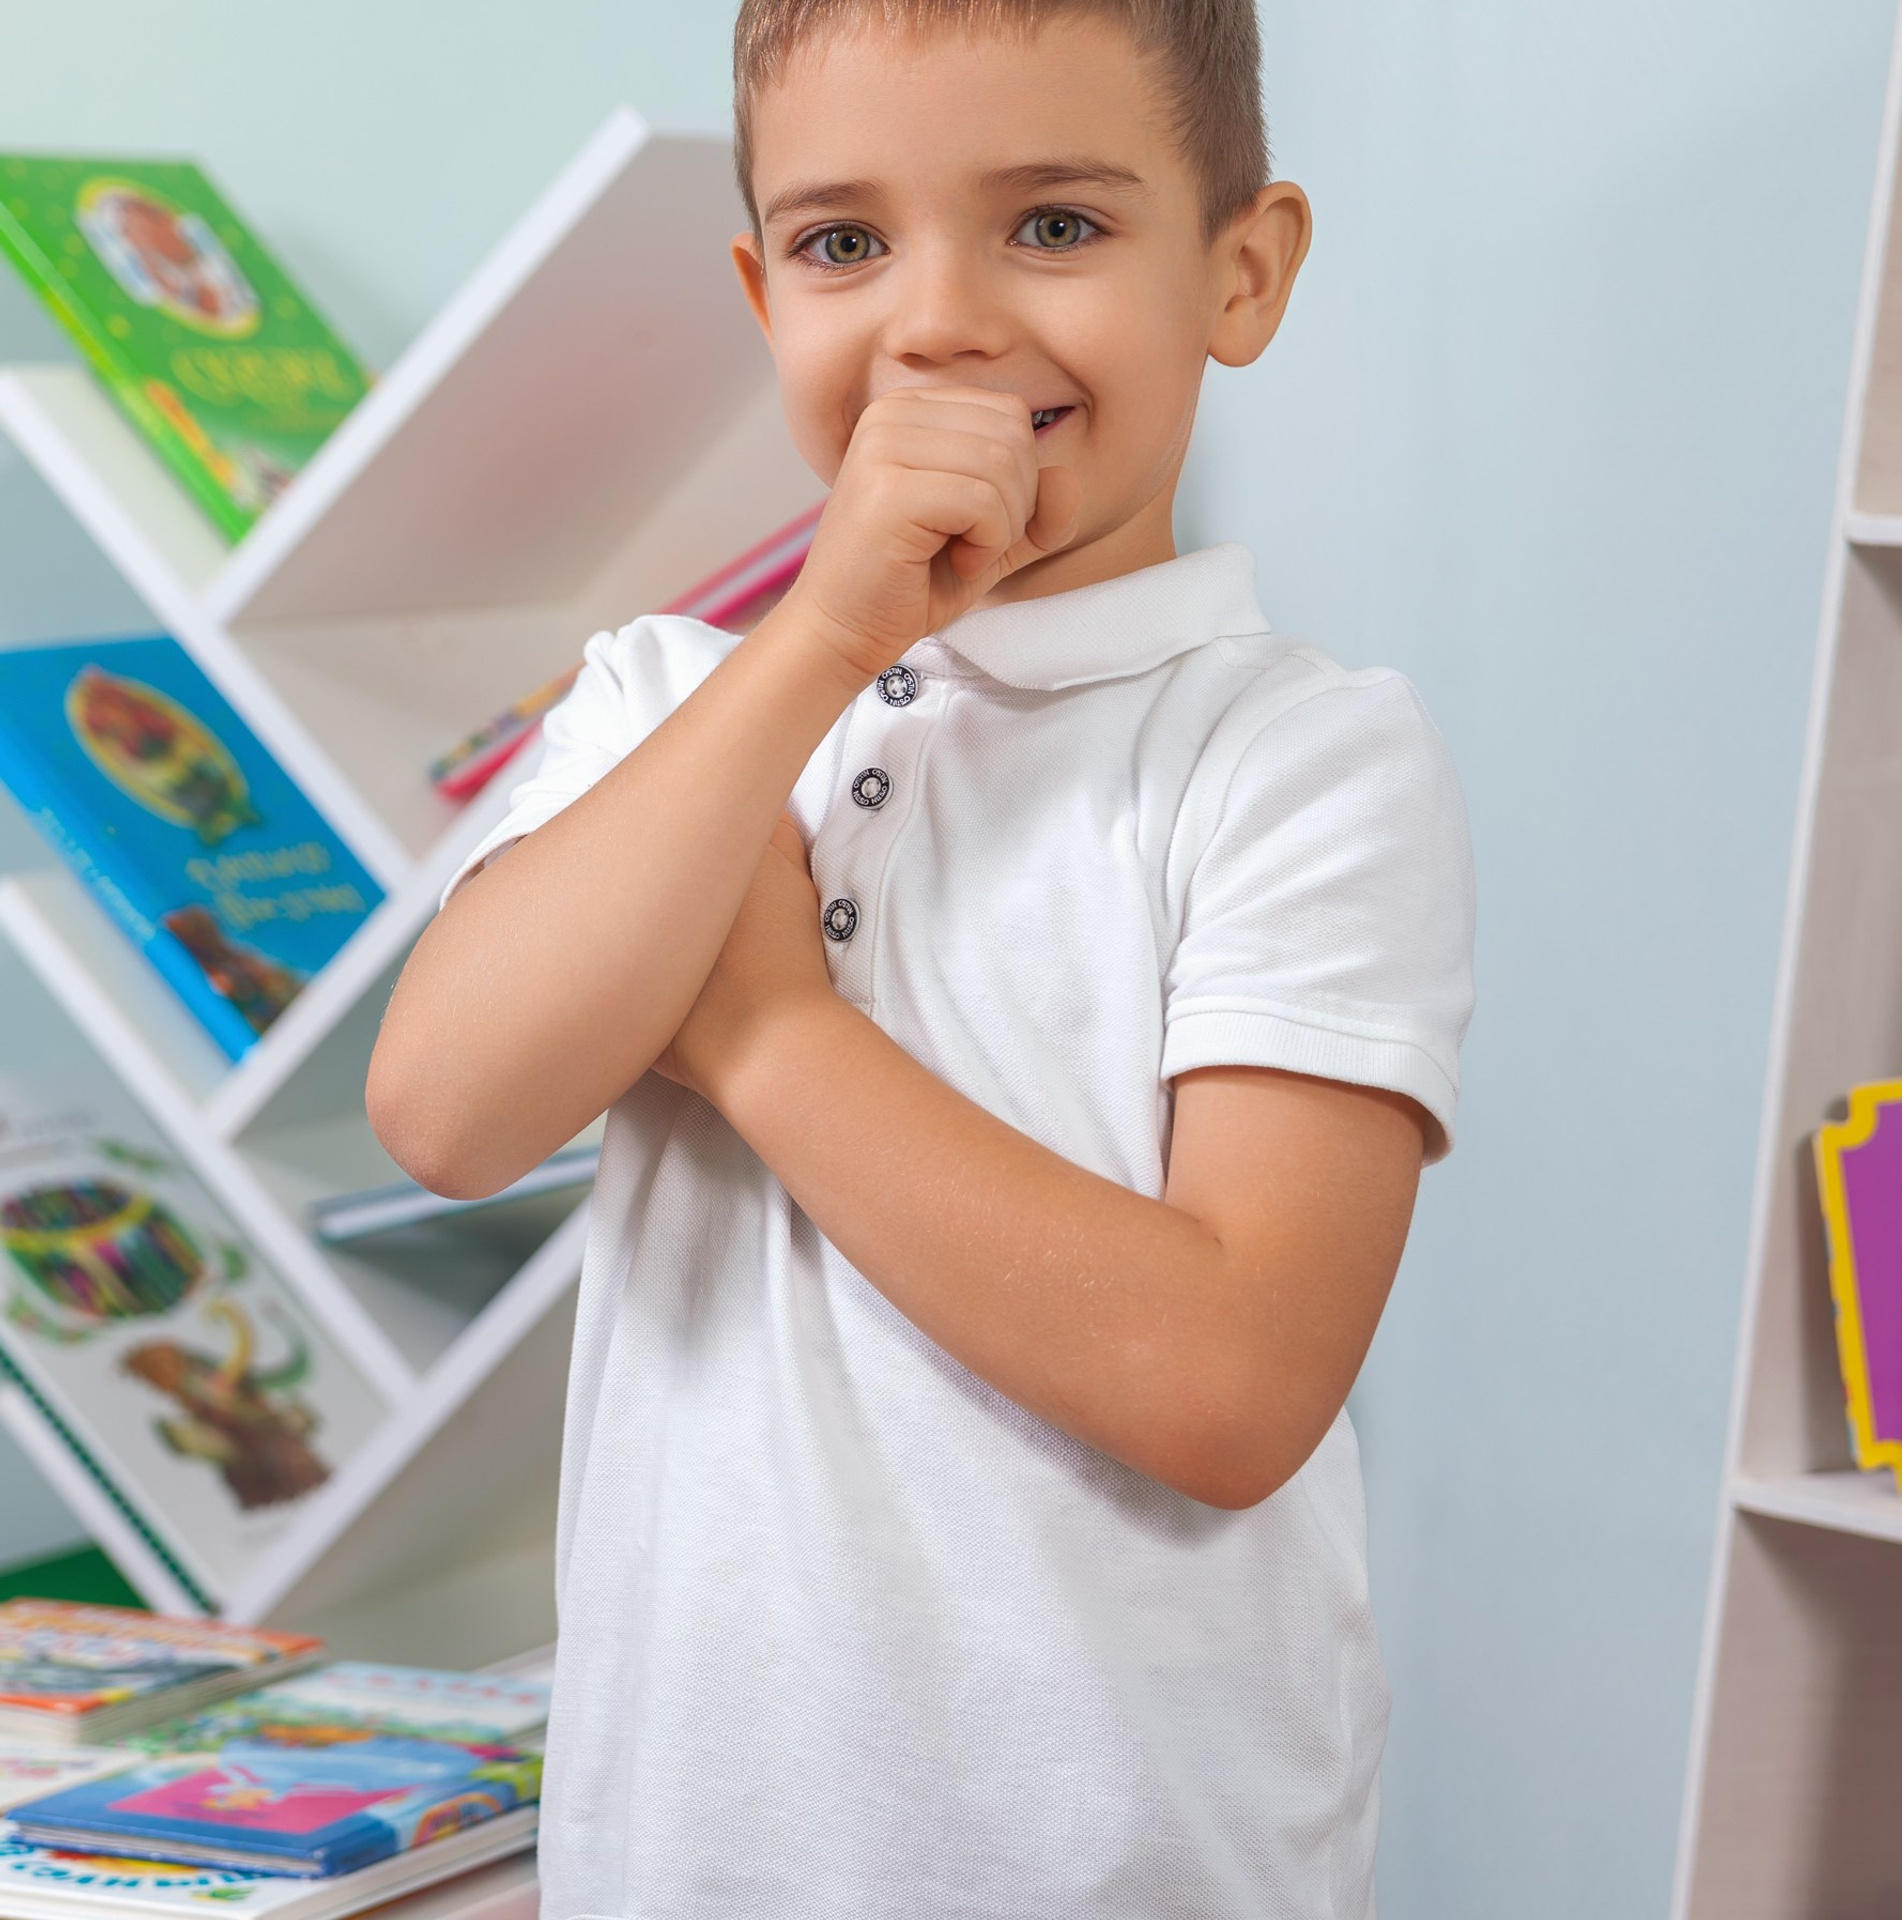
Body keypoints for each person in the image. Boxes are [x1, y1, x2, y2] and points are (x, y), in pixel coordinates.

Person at [366, 1, 1476, 1913]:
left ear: (1240, 270)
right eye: (844, 242)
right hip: (686, 1858)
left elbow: (1230, 1385)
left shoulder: (1297, 757)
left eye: (1054, 224)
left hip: (1123, 1868)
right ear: (761, 291)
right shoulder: (667, 707)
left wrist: (776, 1040)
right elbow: (447, 1115)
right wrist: (811, 643)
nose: (940, 317)